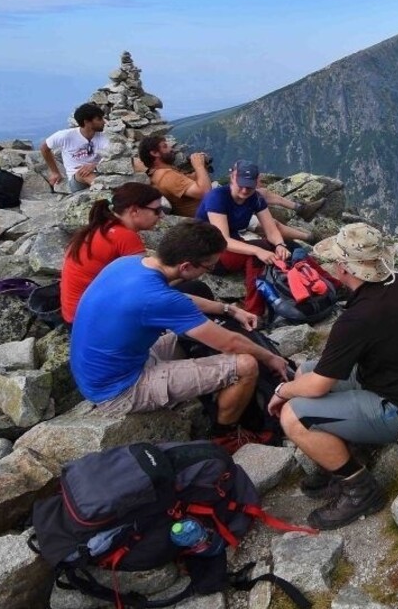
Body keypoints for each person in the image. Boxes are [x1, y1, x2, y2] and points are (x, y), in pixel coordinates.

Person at [267, 223, 398, 529]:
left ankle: (359, 488)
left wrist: (282, 390)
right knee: (307, 370)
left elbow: (320, 386)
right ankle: (340, 452)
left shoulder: (358, 318)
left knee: (293, 416)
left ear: (344, 268)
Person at [70, 220, 290, 453]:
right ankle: (224, 435)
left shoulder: (128, 264)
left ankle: (218, 393)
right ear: (186, 267)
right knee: (247, 364)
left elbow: (175, 300)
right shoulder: (158, 298)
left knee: (192, 338)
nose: (209, 271)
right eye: (208, 267)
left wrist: (228, 309)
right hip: (119, 390)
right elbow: (230, 342)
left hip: (101, 370)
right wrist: (270, 358)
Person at [197, 159, 313, 318]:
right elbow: (223, 240)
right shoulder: (217, 197)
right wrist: (258, 250)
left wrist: (279, 244)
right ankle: (254, 312)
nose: (245, 190)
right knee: (258, 253)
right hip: (211, 254)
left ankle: (325, 284)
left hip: (234, 248)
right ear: (232, 178)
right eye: (241, 184)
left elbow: (271, 230)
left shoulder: (255, 198)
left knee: (290, 246)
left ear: (256, 182)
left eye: (249, 186)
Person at [137, 136, 323, 221]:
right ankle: (302, 215)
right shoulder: (167, 176)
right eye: (164, 147)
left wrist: (201, 169)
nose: (170, 148)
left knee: (256, 189)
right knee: (256, 194)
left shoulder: (163, 173)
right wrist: (199, 166)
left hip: (209, 208)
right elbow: (205, 192)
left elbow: (192, 183)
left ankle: (300, 208)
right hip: (210, 212)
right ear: (154, 153)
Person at [59, 183, 165, 323]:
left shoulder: (102, 226)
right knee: (187, 289)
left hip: (73, 314)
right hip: (90, 320)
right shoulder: (125, 236)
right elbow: (143, 283)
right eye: (157, 210)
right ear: (134, 211)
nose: (162, 215)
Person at [42, 103, 108, 193]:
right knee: (85, 173)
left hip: (100, 171)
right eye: (99, 119)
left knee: (133, 161)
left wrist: (95, 165)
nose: (104, 122)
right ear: (87, 122)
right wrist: (55, 172)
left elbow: (110, 154)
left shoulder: (103, 136)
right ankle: (108, 196)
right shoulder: (65, 136)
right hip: (77, 178)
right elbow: (44, 148)